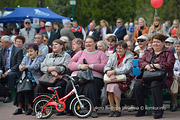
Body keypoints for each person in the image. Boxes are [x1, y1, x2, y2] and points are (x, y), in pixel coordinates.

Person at [134, 33, 175, 119]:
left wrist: (157, 65)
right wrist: (147, 66)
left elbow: (170, 64)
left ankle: (158, 110)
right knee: (138, 85)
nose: (155, 44)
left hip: (163, 78)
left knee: (155, 84)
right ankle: (141, 109)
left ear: (163, 42)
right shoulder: (149, 51)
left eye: (158, 42)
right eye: (154, 42)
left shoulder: (168, 51)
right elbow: (141, 61)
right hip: (148, 76)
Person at [67, 36, 108, 118]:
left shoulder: (101, 54)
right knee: (70, 84)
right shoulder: (80, 53)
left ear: (95, 43)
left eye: (90, 42)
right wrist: (80, 66)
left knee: (90, 86)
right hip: (78, 75)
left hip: (94, 76)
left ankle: (92, 109)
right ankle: (71, 108)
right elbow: (70, 64)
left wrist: (91, 66)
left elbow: (105, 66)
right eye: (86, 42)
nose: (88, 44)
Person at [35, 39, 71, 107]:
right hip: (49, 77)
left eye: (56, 44)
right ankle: (39, 106)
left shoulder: (66, 56)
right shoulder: (48, 55)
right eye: (53, 45)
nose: (53, 46)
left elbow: (66, 67)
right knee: (39, 86)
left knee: (60, 86)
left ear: (61, 46)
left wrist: (55, 69)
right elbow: (42, 66)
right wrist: (50, 70)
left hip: (61, 77)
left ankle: (60, 107)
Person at [13, 43, 45, 115]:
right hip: (26, 78)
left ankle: (30, 107)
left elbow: (36, 66)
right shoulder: (26, 57)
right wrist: (21, 67)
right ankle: (19, 108)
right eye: (28, 51)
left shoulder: (41, 57)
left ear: (36, 51)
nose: (29, 53)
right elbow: (20, 66)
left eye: (31, 51)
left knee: (28, 88)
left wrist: (26, 67)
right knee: (20, 87)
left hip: (35, 79)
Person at [104, 41, 134, 117]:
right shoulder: (113, 55)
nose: (118, 50)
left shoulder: (130, 56)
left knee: (114, 87)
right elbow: (107, 65)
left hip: (125, 78)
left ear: (125, 49)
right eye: (117, 48)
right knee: (109, 86)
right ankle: (112, 109)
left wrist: (114, 71)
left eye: (120, 48)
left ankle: (118, 109)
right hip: (113, 77)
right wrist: (108, 72)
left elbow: (127, 68)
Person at [0, 35, 23, 103]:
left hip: (15, 71)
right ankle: (5, 93)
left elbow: (18, 64)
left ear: (7, 43)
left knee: (10, 75)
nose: (1, 43)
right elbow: (0, 63)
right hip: (4, 71)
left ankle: (9, 96)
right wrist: (1, 71)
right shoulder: (2, 51)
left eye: (2, 42)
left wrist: (8, 71)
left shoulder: (18, 50)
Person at [170, 40, 180, 112]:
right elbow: (171, 69)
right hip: (176, 76)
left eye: (178, 46)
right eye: (175, 46)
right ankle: (175, 103)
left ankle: (175, 103)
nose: (176, 48)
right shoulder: (173, 56)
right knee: (175, 83)